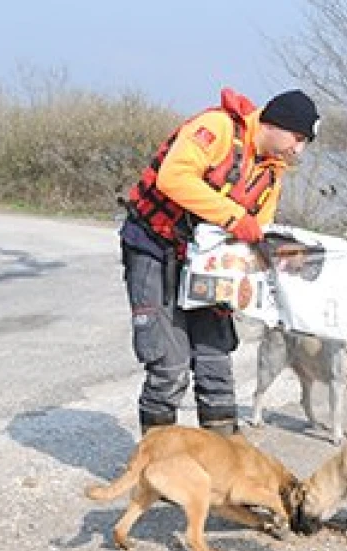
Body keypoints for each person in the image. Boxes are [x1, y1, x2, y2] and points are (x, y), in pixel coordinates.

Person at [119, 87, 320, 436]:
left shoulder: (272, 174)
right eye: (297, 138)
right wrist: (233, 219)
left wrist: (280, 263)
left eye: (305, 143)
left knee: (215, 360)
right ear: (274, 124)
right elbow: (172, 177)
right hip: (156, 248)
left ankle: (222, 460)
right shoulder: (217, 129)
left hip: (211, 266)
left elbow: (259, 232)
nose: (298, 150)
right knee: (170, 365)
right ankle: (157, 463)